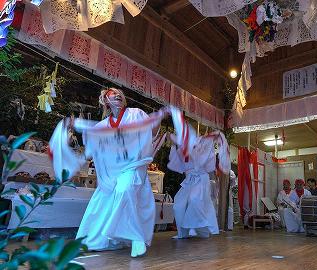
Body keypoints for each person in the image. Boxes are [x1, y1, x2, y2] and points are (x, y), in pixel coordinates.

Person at [50, 88, 167, 257]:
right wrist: (75, 125)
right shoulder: (102, 126)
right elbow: (91, 147)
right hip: (113, 172)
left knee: (124, 190)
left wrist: (157, 119)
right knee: (102, 202)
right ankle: (97, 240)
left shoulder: (136, 113)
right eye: (113, 93)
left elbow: (151, 131)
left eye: (119, 93)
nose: (118, 94)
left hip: (134, 166)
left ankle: (136, 237)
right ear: (105, 101)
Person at [168, 106, 230, 239]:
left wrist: (216, 136)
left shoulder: (201, 143)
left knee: (195, 200)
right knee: (178, 204)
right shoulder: (180, 147)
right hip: (189, 180)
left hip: (201, 179)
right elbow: (180, 166)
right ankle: (182, 233)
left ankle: (201, 228)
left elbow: (212, 140)